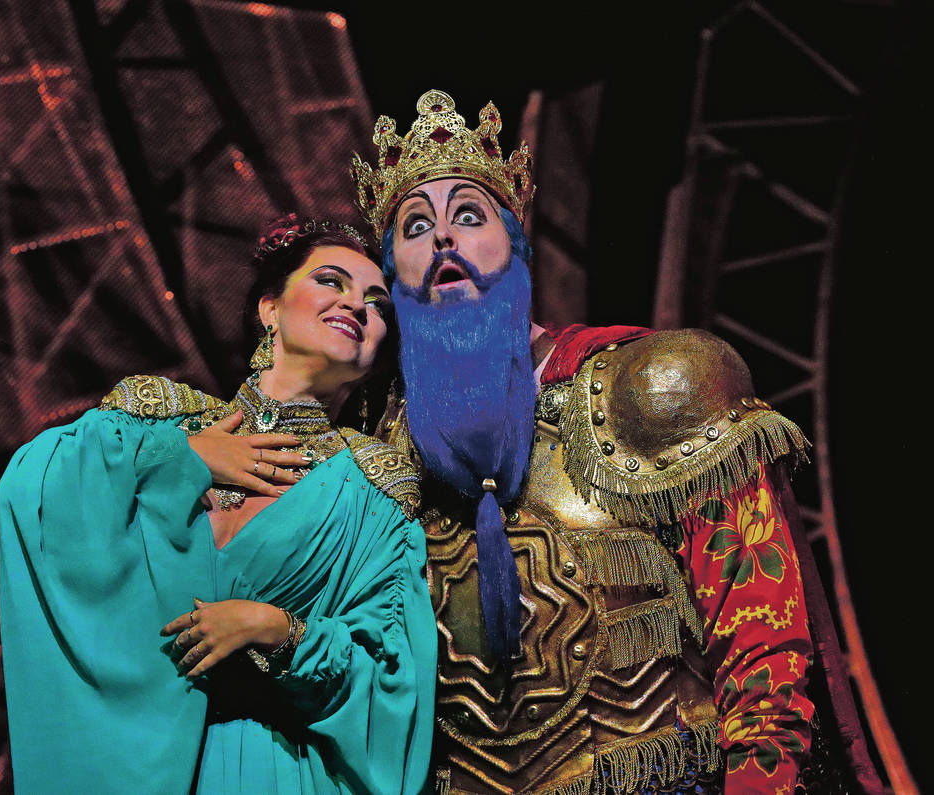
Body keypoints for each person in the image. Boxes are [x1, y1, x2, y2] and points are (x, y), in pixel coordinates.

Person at [350, 90, 879, 793]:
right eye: (415, 226)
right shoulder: (374, 465)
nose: (443, 237)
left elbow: (765, 658)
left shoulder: (656, 386)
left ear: (516, 247)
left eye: (469, 215)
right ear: (394, 276)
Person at [0, 217, 436, 794]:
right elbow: (31, 497)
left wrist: (279, 630)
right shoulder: (153, 419)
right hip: (125, 760)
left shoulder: (374, 490)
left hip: (265, 768)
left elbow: (389, 687)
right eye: (331, 281)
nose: (356, 304)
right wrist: (181, 458)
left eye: (377, 305)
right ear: (270, 309)